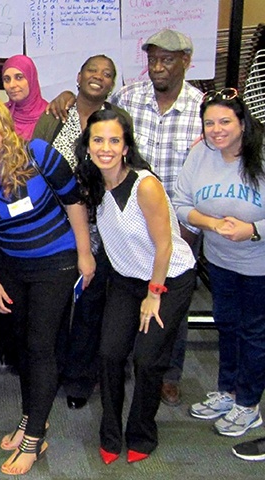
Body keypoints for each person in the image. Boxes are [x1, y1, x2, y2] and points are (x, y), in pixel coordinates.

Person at [48, 30, 204, 406]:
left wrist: (188, 219)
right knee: (103, 303)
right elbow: (98, 117)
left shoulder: (200, 108)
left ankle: (165, 373)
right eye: (153, 59)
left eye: (168, 59)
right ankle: (98, 373)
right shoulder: (129, 98)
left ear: (185, 61)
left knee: (168, 308)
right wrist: (69, 97)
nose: (159, 66)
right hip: (116, 220)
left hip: (175, 219)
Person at [0, 95, 95, 475]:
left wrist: (85, 254)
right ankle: (32, 416)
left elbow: (74, 203)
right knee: (21, 348)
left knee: (40, 347)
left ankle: (35, 436)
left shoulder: (38, 155)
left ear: (7, 128)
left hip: (57, 261)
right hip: (12, 267)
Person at [74, 109, 195, 464]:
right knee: (110, 353)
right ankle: (110, 433)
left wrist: (154, 294)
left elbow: (165, 246)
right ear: (89, 145)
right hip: (127, 279)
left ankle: (142, 432)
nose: (105, 148)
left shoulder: (146, 185)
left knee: (147, 358)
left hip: (168, 277)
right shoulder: (93, 183)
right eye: (98, 140)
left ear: (126, 146)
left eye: (114, 140)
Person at [32, 54, 132, 409]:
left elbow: (127, 169)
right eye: (93, 70)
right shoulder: (57, 113)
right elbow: (35, 159)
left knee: (90, 304)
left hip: (101, 227)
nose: (98, 77)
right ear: (79, 76)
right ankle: (53, 369)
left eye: (107, 73)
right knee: (56, 303)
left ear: (111, 84)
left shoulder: (115, 120)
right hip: (54, 226)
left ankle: (80, 378)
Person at [174, 90, 265, 437]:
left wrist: (252, 229)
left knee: (254, 332)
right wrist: (210, 224)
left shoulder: (261, 153)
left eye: (225, 121)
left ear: (242, 123)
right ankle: (228, 391)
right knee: (227, 324)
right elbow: (181, 202)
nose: (216, 129)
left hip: (258, 264)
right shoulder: (201, 153)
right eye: (209, 123)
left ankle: (248, 403)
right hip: (220, 260)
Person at [2, 55, 48, 141]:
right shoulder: (0, 114)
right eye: (7, 79)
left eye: (19, 77)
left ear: (31, 79)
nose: (12, 85)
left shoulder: (50, 115)